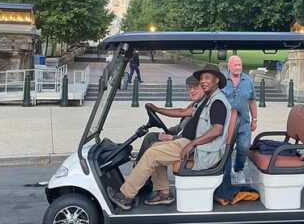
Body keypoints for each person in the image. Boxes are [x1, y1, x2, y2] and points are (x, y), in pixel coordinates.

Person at [107, 63, 231, 210]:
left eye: (207, 77)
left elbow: (217, 130)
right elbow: (181, 112)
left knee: (152, 154)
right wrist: (157, 109)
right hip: (192, 144)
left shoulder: (217, 102)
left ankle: (126, 195)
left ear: (216, 80)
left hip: (201, 150)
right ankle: (164, 194)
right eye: (202, 78)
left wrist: (192, 144)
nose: (203, 81)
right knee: (154, 147)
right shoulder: (206, 101)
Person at [136, 75, 205, 160]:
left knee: (153, 150)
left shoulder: (203, 106)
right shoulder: (195, 104)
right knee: (150, 137)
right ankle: (140, 166)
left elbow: (182, 113)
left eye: (195, 87)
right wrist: (168, 131)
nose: (192, 91)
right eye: (190, 88)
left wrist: (157, 109)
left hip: (187, 145)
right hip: (180, 139)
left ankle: (140, 170)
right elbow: (181, 126)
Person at [221, 55, 257, 184]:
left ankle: (238, 169)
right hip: (227, 123)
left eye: (239, 65)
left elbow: (252, 101)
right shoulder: (221, 80)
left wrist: (255, 119)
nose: (238, 67)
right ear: (229, 66)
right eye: (235, 65)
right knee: (227, 149)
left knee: (243, 148)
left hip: (243, 123)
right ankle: (226, 176)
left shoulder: (248, 81)